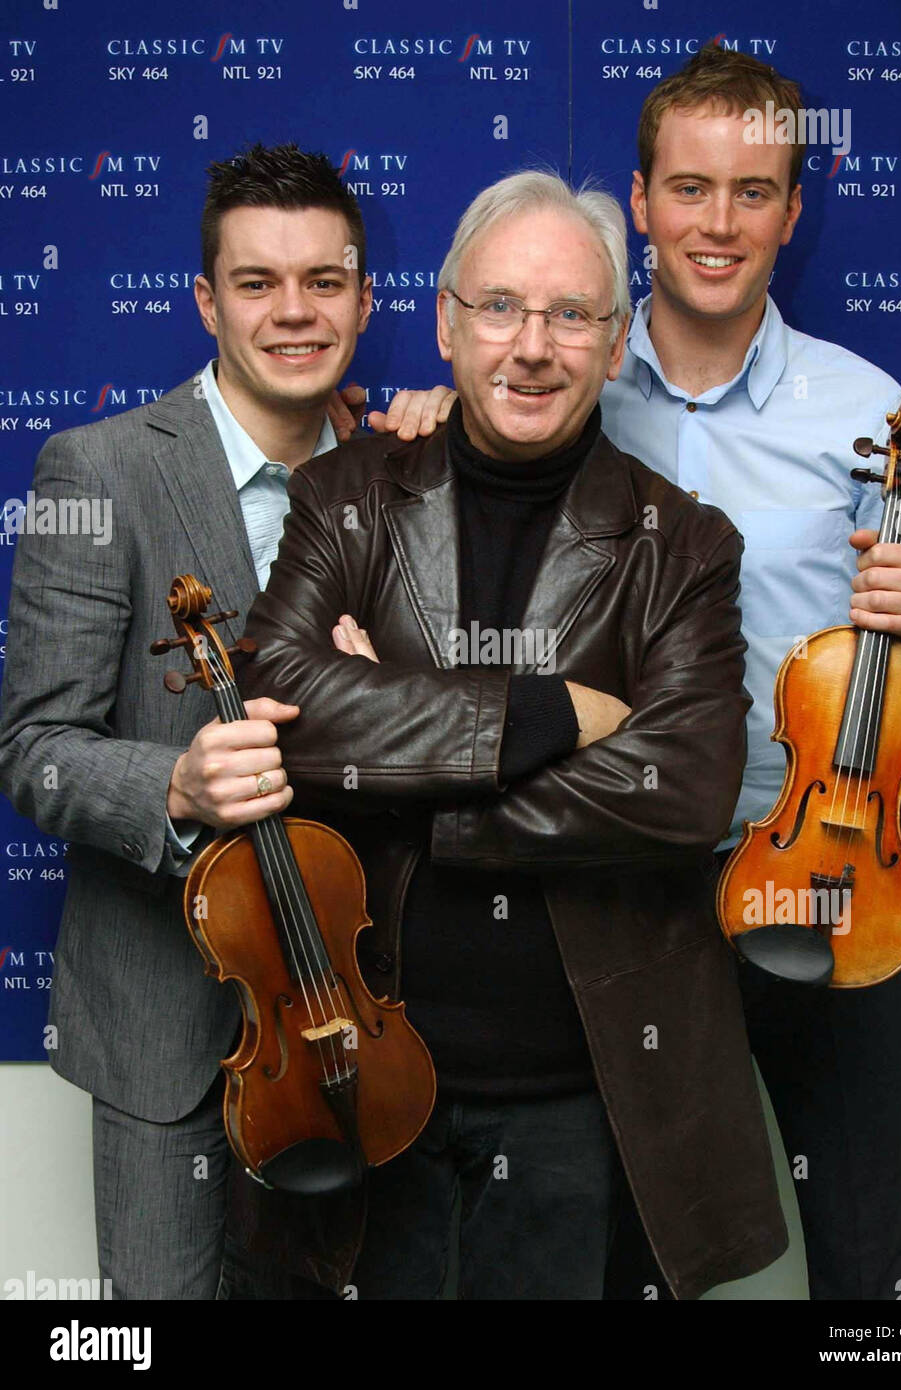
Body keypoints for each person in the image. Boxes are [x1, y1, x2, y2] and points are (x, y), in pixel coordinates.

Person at [237, 169, 789, 1300]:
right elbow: (281, 703)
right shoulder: (343, 495)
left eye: (570, 315)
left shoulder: (680, 545)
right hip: (361, 1069)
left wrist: (399, 744)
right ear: (446, 320)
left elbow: (684, 791)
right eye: (498, 307)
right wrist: (540, 717)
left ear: (614, 337)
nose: (530, 346)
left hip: (583, 1098)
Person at [0, 141, 448, 1299]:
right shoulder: (97, 470)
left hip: (363, 1025)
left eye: (323, 281)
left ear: (362, 296)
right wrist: (171, 790)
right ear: (206, 300)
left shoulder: (410, 479)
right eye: (256, 283)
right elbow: (33, 749)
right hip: (169, 1034)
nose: (293, 313)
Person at [598, 46, 901, 1299]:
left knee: (867, 1238)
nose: (718, 223)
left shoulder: (866, 409)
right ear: (640, 199)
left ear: (791, 211)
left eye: (751, 191)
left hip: (826, 872)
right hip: (623, 880)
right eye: (690, 188)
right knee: (617, 1239)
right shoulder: (562, 393)